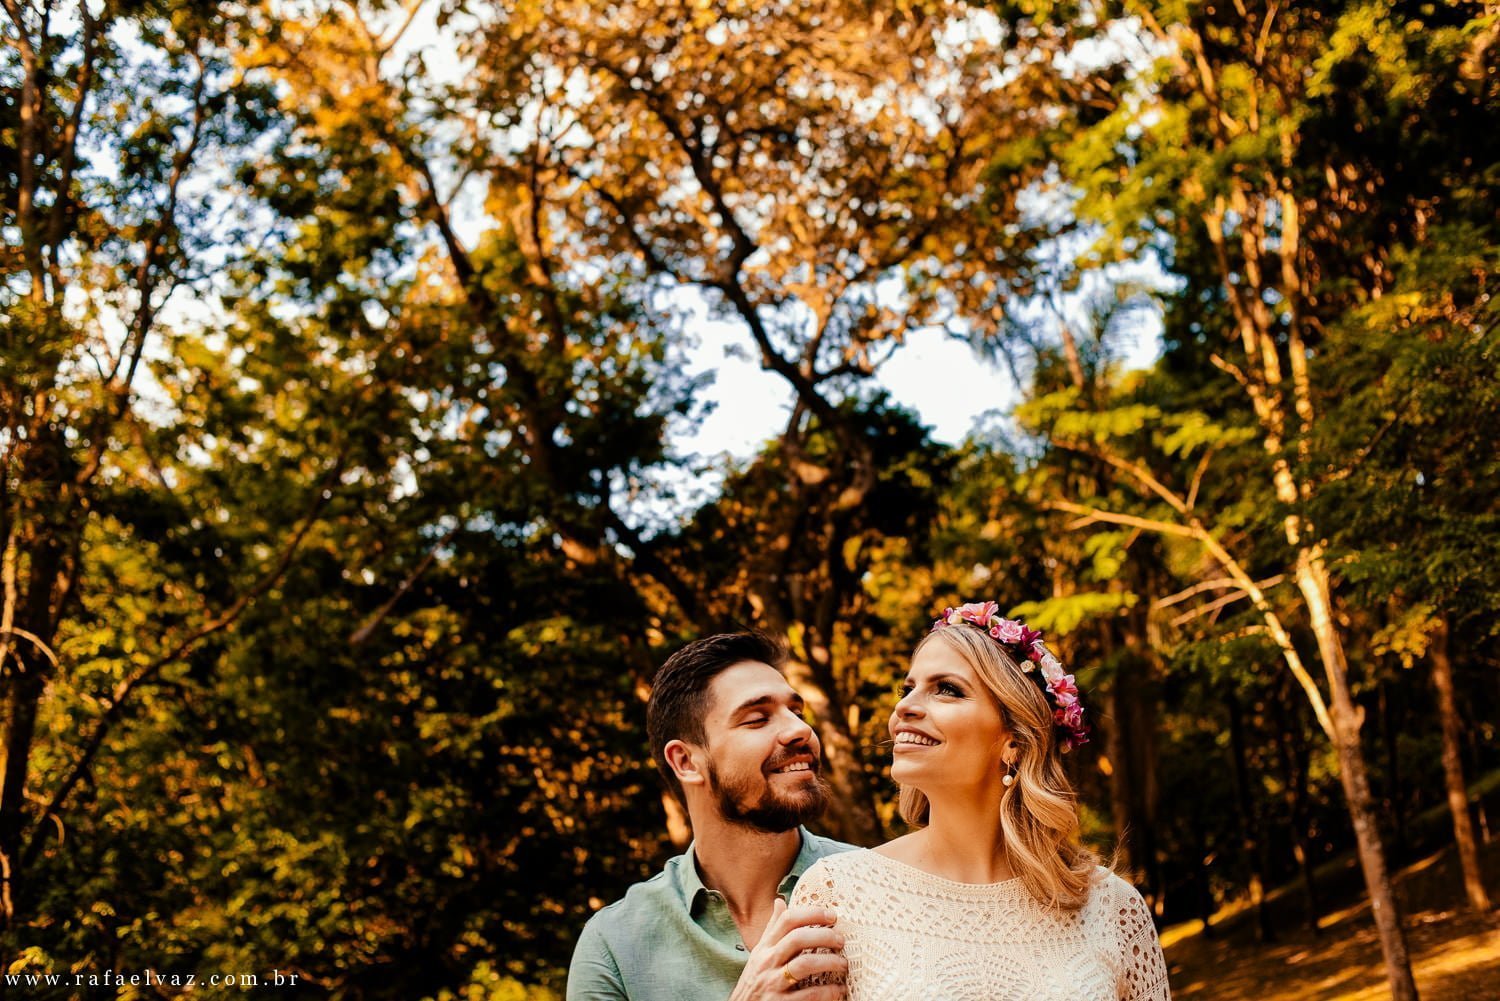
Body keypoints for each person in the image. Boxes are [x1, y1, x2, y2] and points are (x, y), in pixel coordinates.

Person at [791, 602, 1171, 1000]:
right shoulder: (838, 893)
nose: (904, 706)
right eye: (907, 689)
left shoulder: (1112, 910)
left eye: (947, 690)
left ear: (1015, 742)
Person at [567, 631, 856, 1001]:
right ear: (686, 762)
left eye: (797, 712)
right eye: (757, 718)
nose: (801, 730)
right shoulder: (614, 945)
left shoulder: (887, 888)